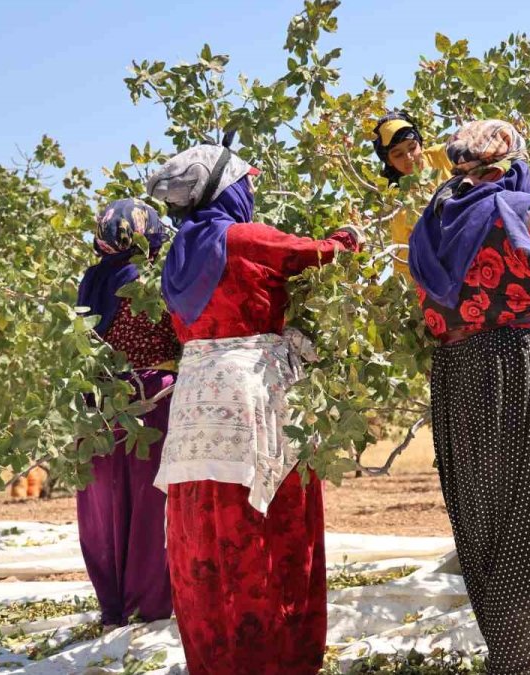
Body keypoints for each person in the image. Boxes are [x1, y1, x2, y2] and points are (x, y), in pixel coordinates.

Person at [145, 143, 362, 675]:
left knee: (208, 525)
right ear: (226, 190)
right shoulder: (244, 238)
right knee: (268, 521)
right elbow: (325, 254)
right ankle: (275, 658)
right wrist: (349, 236)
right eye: (246, 184)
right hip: (252, 396)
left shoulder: (180, 253)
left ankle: (217, 658)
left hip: (196, 399)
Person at [408, 120, 530, 674]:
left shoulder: (432, 227)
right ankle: (525, 661)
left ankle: (509, 651)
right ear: (513, 160)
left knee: (483, 519)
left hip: (459, 375)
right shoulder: (529, 215)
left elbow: (431, 312)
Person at [74, 198, 177, 628]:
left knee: (106, 508)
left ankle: (114, 606)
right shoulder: (154, 279)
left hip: (99, 406)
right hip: (152, 402)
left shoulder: (91, 281)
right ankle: (149, 605)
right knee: (152, 507)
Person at [372, 111, 452, 278]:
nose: (409, 157)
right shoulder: (398, 204)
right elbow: (403, 265)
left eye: (412, 147)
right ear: (388, 161)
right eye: (398, 154)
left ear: (420, 143)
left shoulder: (445, 154)